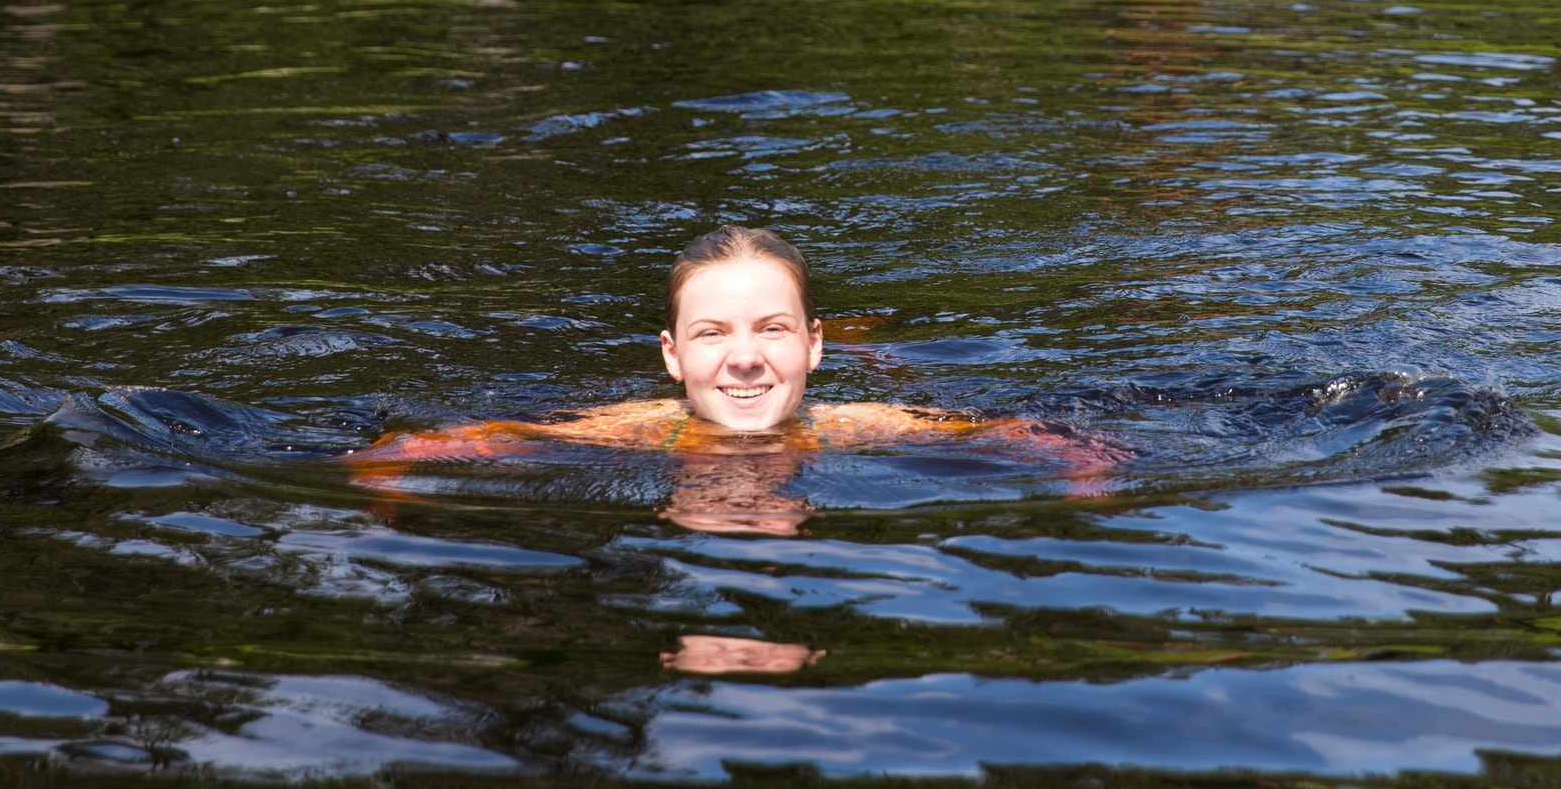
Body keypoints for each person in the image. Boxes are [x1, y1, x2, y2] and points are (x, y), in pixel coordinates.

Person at [347, 224, 1115, 492]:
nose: (744, 358)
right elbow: (437, 443)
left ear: (813, 346)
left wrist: (1086, 475)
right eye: (712, 334)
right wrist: (388, 486)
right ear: (673, 357)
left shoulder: (856, 425)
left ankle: (870, 344)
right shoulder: (635, 430)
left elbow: (1030, 436)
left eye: (773, 330)